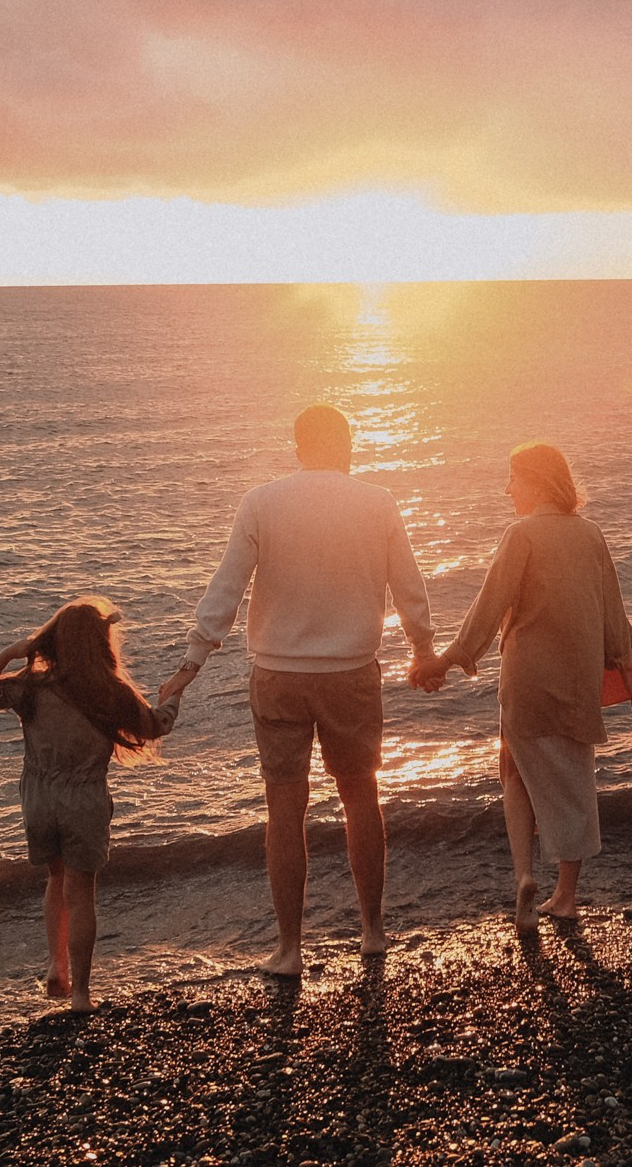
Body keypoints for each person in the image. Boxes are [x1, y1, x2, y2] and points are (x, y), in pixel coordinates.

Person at [165, 404, 435, 976]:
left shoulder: (262, 502)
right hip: (351, 672)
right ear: (347, 444)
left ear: (297, 446)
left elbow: (228, 586)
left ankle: (290, 949)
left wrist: (192, 661)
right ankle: (372, 931)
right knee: (361, 795)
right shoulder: (377, 502)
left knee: (284, 806)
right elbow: (407, 584)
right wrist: (422, 648)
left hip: (279, 676)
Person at [427, 442, 632, 929]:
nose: (507, 489)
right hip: (576, 679)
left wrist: (453, 657)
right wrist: (629, 670)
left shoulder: (520, 534)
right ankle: (565, 896)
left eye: (513, 478)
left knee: (514, 771)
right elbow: (614, 617)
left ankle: (525, 875)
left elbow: (490, 604)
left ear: (536, 480)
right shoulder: (591, 535)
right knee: (572, 782)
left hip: (526, 678)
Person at [0, 595, 184, 1008]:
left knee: (55, 878)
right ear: (101, 644)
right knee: (81, 890)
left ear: (56, 641)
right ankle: (81, 995)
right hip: (83, 799)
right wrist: (172, 695)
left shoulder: (32, 688)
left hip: (38, 798)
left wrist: (9, 653)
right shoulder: (110, 693)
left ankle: (57, 968)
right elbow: (157, 726)